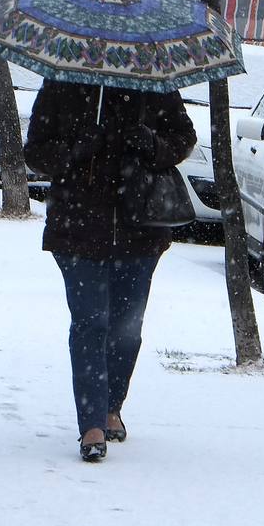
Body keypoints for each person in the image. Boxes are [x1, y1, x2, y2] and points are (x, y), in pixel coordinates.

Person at [23, 80, 197, 463]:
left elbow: (184, 137)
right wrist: (77, 149)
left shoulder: (153, 83)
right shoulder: (62, 83)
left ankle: (111, 405)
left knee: (126, 328)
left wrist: (151, 143)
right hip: (78, 229)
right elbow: (34, 151)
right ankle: (92, 424)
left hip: (141, 229)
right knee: (90, 322)